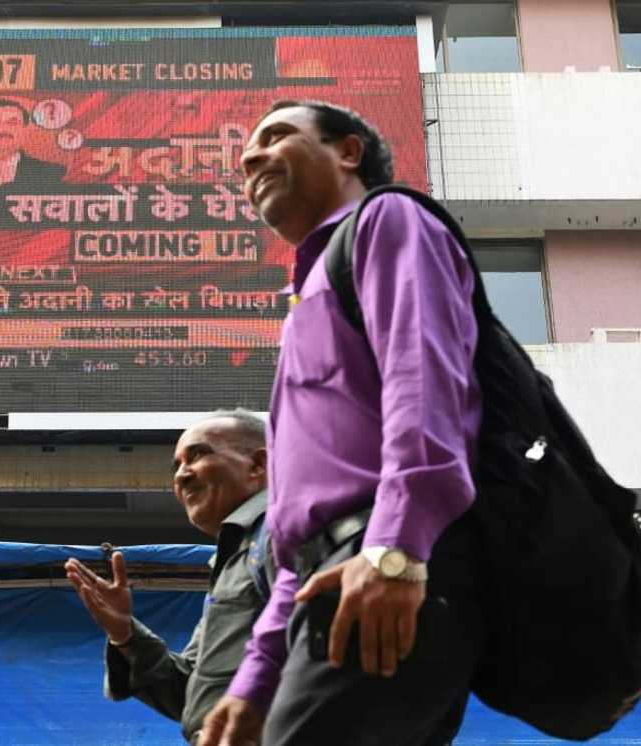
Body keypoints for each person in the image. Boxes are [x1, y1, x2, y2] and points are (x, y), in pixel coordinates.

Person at [199, 100, 483, 746]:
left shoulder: (388, 221)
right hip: (333, 582)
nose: (250, 160)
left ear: (347, 152)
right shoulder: (303, 307)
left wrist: (396, 549)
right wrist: (254, 683)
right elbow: (296, 538)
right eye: (245, 157)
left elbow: (424, 385)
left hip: (383, 567)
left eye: (276, 137)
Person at [65, 409, 270, 743]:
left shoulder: (287, 531)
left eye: (199, 455)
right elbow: (191, 693)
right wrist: (125, 634)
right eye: (176, 466)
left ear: (258, 465)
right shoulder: (233, 558)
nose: (182, 476)